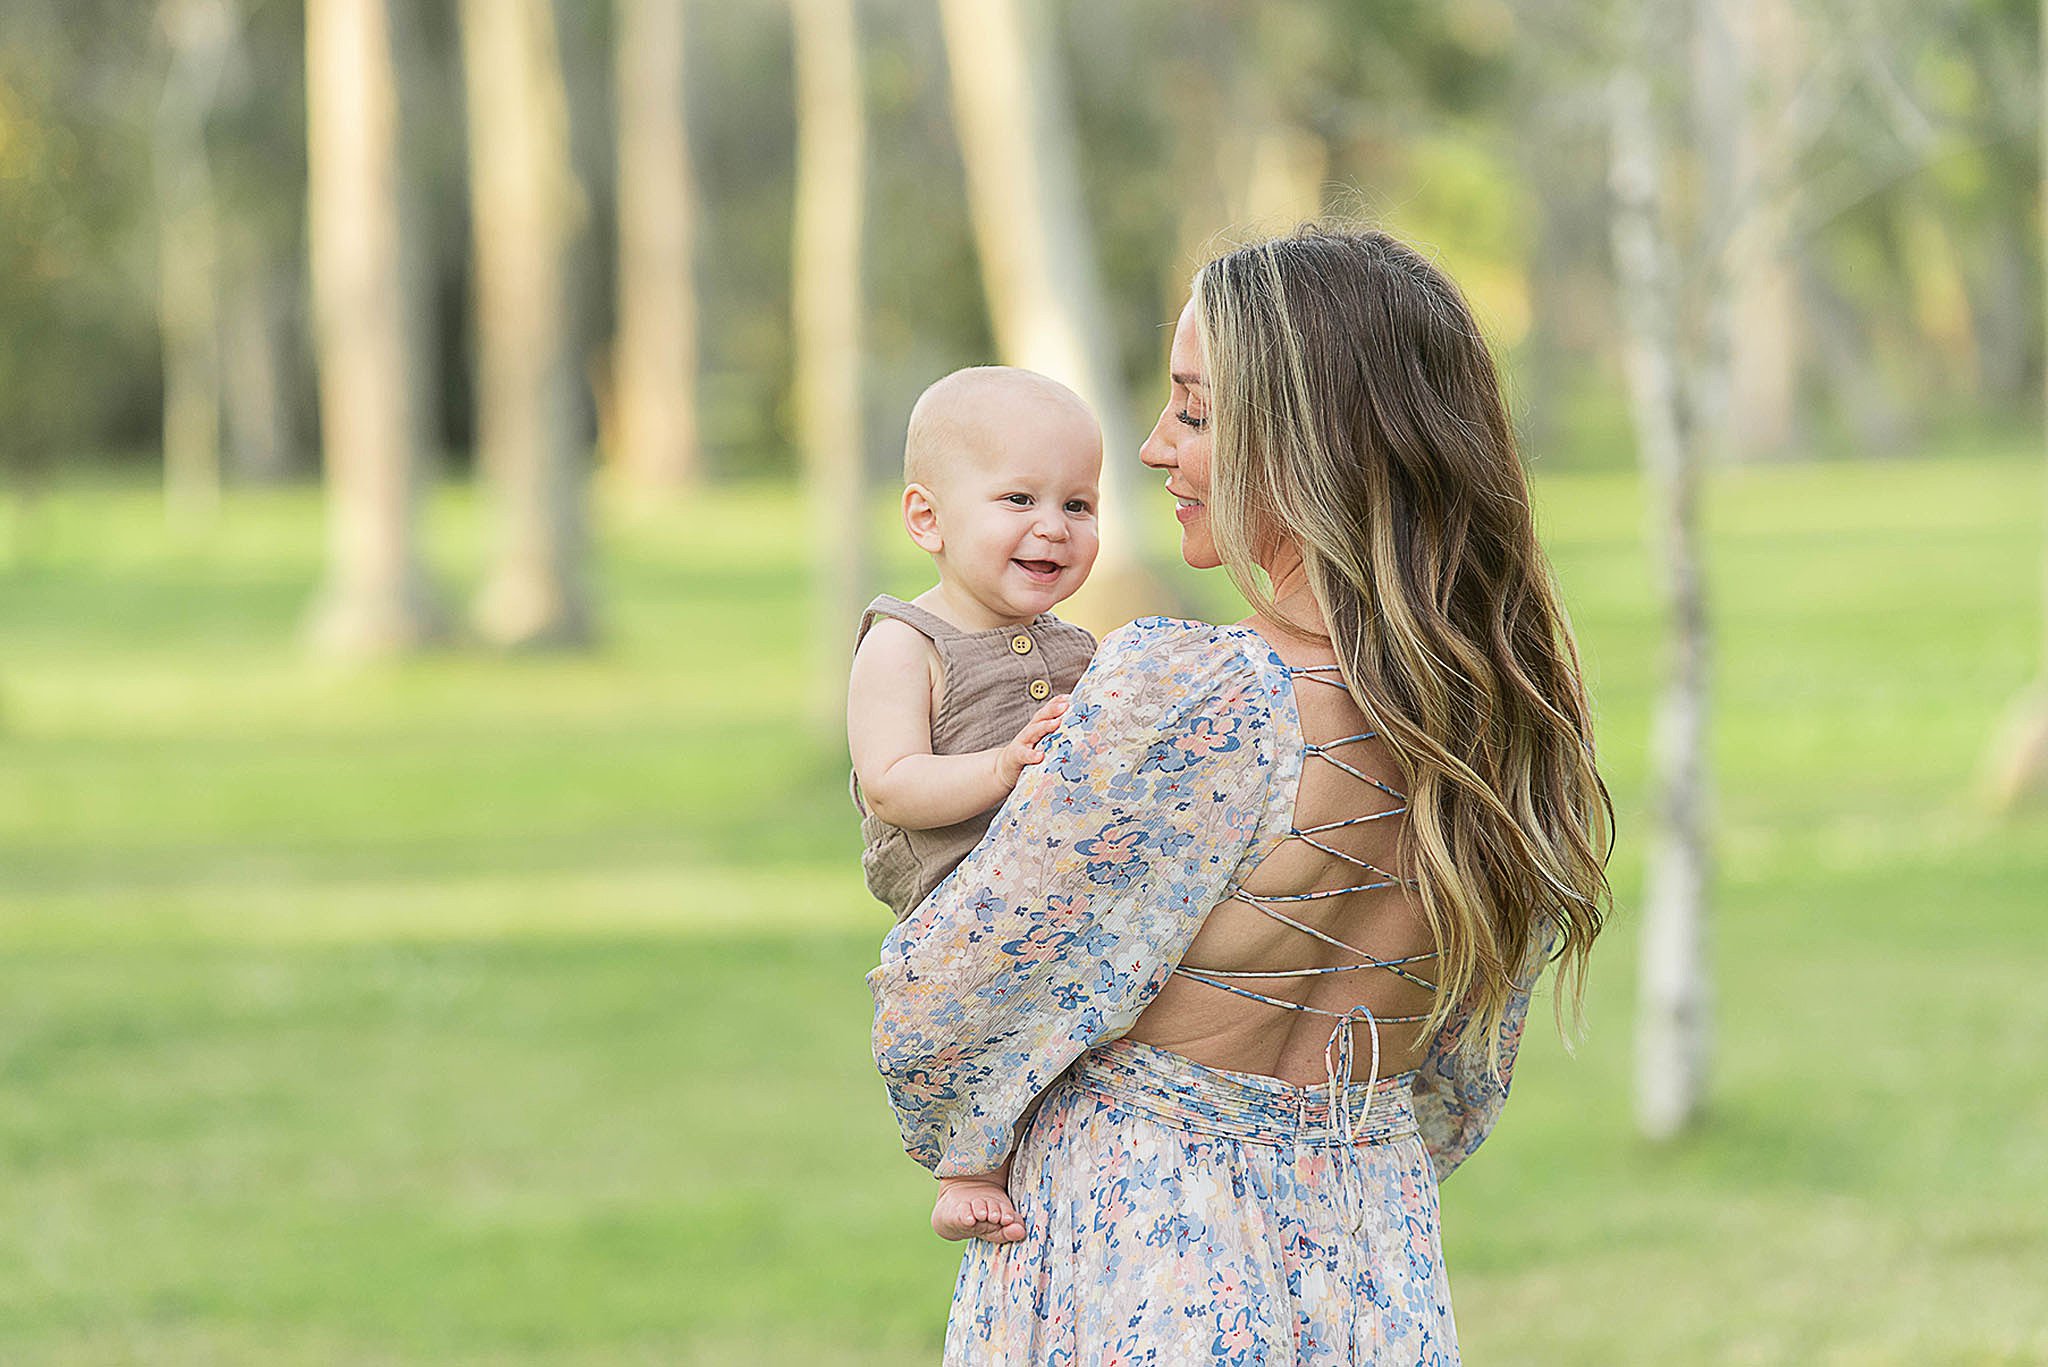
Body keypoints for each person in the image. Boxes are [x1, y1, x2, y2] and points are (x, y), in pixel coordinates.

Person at [870, 227, 1613, 1363]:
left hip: (1143, 1254)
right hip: (1369, 1243)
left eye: (1196, 412)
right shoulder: (1503, 722)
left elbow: (940, 1015)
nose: (1155, 447)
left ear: (1309, 443)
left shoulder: (1195, 694)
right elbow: (1456, 1084)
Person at [848, 365, 1104, 1246]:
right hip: (958, 896)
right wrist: (1000, 766)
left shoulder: (1082, 648)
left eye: (1079, 505)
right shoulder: (905, 643)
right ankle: (969, 1165)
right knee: (983, 1009)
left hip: (1065, 885)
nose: (1053, 527)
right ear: (928, 518)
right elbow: (891, 781)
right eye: (1019, 498)